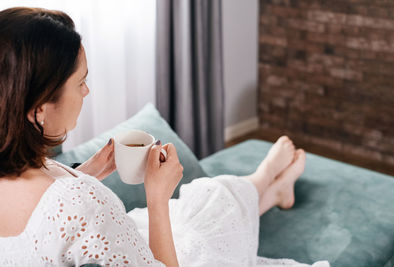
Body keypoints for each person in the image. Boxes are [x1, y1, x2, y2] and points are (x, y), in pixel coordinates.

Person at [0, 7, 329, 267]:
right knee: (210, 202)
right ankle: (265, 178)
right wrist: (156, 196)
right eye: (80, 82)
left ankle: (272, 191)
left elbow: (44, 226)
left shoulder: (31, 174)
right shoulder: (84, 203)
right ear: (39, 109)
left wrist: (89, 171)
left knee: (197, 212)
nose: (88, 91)